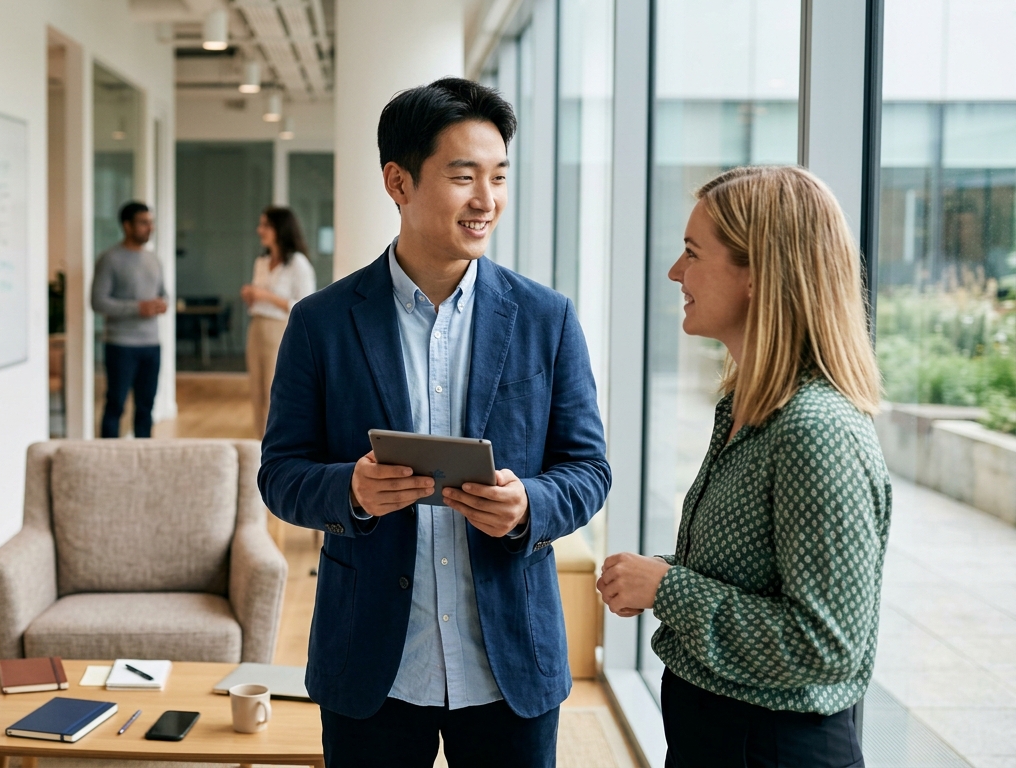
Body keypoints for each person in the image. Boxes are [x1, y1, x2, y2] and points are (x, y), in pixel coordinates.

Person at [258, 77, 611, 768]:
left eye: (499, 177)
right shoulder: (321, 324)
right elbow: (281, 475)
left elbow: (589, 470)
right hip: (374, 668)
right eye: (463, 176)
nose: (487, 200)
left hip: (509, 668)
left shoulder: (547, 319)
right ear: (399, 181)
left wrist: (526, 505)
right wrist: (351, 492)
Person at [595, 165, 890, 767]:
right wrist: (660, 574)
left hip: (773, 749)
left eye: (692, 253)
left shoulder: (815, 432)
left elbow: (825, 644)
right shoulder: (748, 410)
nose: (676, 272)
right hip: (722, 737)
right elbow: (757, 579)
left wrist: (668, 588)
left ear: (758, 274)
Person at [91, 201, 167, 438]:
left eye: (151, 222)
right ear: (127, 225)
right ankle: (107, 457)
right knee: (115, 405)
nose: (150, 228)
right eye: (144, 223)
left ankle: (145, 457)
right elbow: (98, 302)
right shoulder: (110, 259)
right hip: (121, 345)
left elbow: (164, 293)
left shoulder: (154, 259)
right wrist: (138, 308)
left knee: (146, 407)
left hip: (151, 345)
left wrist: (162, 303)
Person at [241, 206, 316, 438]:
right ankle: (260, 444)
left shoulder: (298, 264)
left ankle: (280, 446)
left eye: (265, 225)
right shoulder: (261, 262)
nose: (259, 230)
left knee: (276, 392)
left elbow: (305, 305)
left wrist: (265, 296)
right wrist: (252, 295)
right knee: (257, 390)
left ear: (280, 229)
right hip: (257, 328)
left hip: (281, 331)